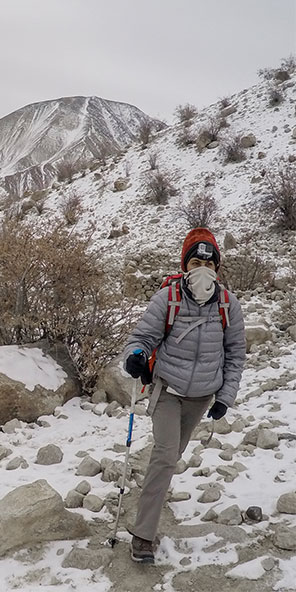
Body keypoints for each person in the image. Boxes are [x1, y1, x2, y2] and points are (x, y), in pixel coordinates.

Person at [123, 227, 246, 564]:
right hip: (167, 390)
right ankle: (143, 537)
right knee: (165, 457)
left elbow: (235, 353)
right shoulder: (169, 297)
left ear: (218, 268)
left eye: (210, 264)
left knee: (170, 458)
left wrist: (225, 396)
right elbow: (142, 336)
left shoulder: (227, 304)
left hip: (201, 396)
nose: (203, 269)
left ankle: (152, 489)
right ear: (185, 265)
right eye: (195, 262)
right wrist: (135, 355)